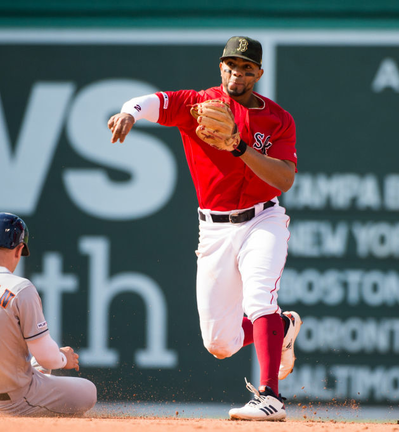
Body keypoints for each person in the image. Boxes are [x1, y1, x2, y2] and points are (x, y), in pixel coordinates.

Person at [108, 36, 302, 421]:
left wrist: (239, 148)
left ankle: (271, 397)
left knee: (259, 297)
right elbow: (152, 102)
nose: (237, 73)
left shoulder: (278, 119)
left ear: (259, 73)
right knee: (219, 342)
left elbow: (284, 179)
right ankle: (282, 326)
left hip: (263, 219)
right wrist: (129, 112)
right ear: (221, 67)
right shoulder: (197, 103)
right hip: (213, 229)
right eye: (231, 65)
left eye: (247, 68)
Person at [0, 212, 97, 416]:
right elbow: (48, 358)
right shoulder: (20, 288)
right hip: (13, 401)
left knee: (24, 358)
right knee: (88, 391)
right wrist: (63, 358)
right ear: (19, 249)